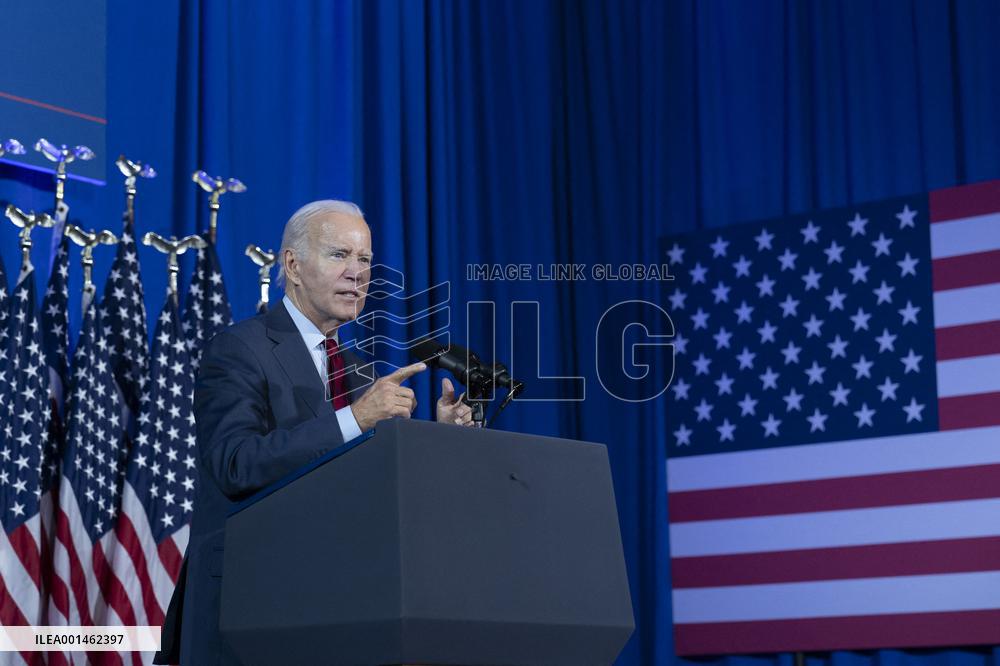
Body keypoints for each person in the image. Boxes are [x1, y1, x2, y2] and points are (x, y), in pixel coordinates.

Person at [155, 200, 473, 665]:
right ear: (293, 265)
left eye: (364, 260)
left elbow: (380, 495)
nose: (357, 273)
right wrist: (357, 419)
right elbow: (235, 464)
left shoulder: (361, 374)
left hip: (339, 612)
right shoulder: (239, 348)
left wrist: (441, 441)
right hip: (248, 607)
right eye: (339, 255)